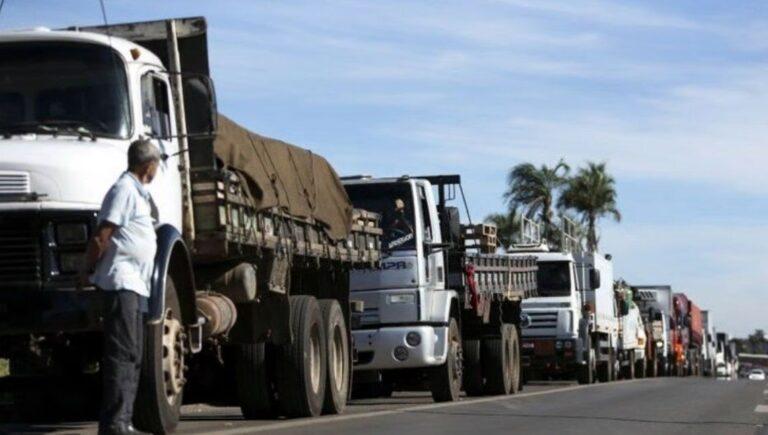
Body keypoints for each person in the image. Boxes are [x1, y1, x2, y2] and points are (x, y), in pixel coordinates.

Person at [79, 139, 161, 435]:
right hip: (121, 282)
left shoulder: (138, 193)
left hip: (136, 285)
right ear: (148, 165)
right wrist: (87, 270)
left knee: (134, 354)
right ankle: (115, 425)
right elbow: (103, 235)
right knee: (123, 354)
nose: (157, 169)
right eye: (157, 164)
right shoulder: (124, 190)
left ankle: (122, 420)